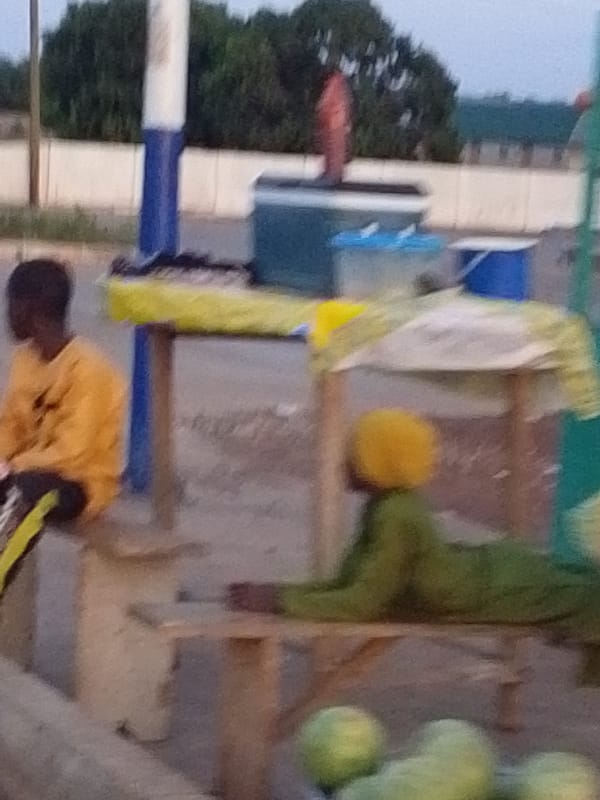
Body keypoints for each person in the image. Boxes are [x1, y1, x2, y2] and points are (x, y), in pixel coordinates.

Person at [228, 409, 600, 686]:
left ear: (379, 465)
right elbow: (347, 583)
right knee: (577, 583)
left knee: (583, 595)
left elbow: (358, 603)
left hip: (489, 590)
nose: (343, 462)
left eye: (354, 455)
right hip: (482, 574)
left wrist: (277, 601)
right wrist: (276, 593)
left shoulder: (396, 516)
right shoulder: (385, 507)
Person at [0, 259, 127, 595]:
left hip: (81, 485)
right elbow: (10, 425)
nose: (5, 314)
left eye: (9, 303)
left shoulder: (88, 369)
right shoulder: (25, 360)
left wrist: (13, 466)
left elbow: (74, 452)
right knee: (16, 487)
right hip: (30, 473)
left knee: (20, 496)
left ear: (31, 309)